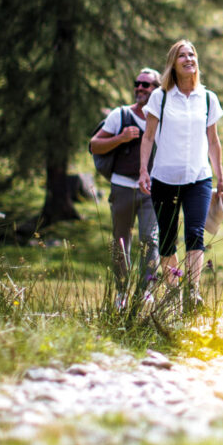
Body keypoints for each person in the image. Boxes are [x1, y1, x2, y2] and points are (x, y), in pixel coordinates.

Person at [138, 40, 223, 307]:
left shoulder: (208, 97)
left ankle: (192, 292)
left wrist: (220, 179)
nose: (189, 58)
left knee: (195, 234)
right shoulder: (161, 97)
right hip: (164, 178)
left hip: (199, 178)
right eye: (182, 55)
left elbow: (213, 141)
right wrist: (143, 170)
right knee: (166, 240)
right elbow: (148, 136)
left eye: (192, 54)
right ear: (173, 64)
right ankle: (174, 291)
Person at [89, 68, 162, 309]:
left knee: (150, 240)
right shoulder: (120, 115)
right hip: (121, 186)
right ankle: (121, 292)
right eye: (138, 83)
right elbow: (94, 145)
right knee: (121, 242)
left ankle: (146, 292)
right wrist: (120, 138)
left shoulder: (163, 117)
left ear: (157, 89)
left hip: (151, 189)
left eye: (147, 85)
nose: (141, 88)